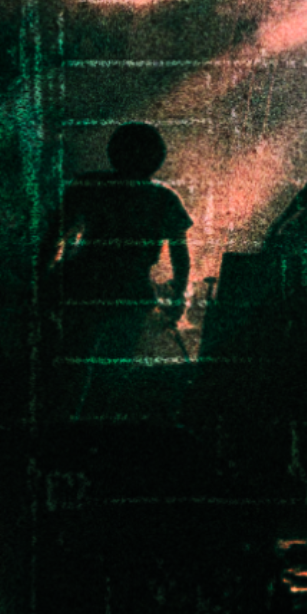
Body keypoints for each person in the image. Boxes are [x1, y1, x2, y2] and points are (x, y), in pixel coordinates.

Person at [43, 123, 193, 418]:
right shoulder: (164, 198)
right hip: (130, 290)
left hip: (85, 284)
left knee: (73, 364)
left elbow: (54, 237)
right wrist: (178, 297)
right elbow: (180, 255)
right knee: (112, 368)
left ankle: (63, 431)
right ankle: (97, 431)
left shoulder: (90, 185)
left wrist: (43, 277)